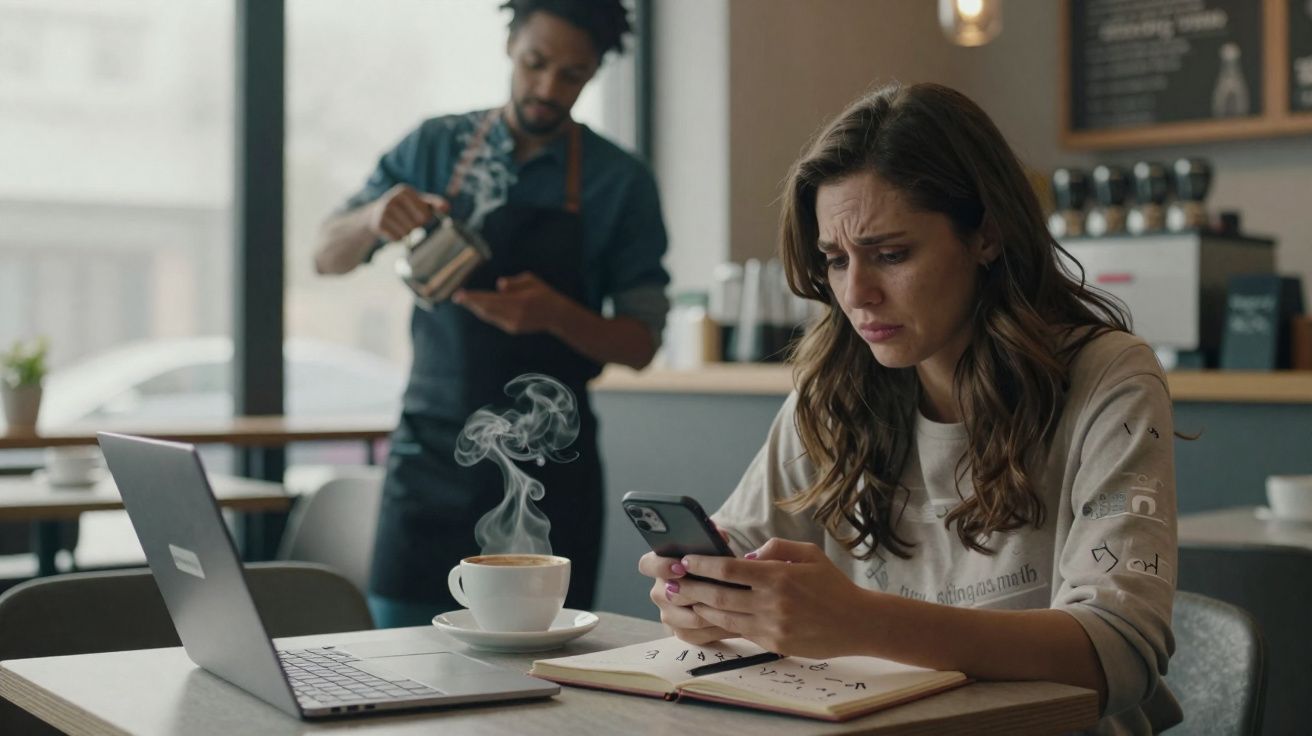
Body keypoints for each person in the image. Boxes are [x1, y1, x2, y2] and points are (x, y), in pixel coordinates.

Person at [639, 83, 1180, 735]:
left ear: (986, 235)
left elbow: (1116, 651)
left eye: (891, 254)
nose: (856, 294)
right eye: (835, 261)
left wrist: (861, 620)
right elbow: (738, 554)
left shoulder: (1108, 377)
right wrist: (698, 595)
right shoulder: (834, 390)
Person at [316, 0, 669, 628]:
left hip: (552, 467)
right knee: (399, 659)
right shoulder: (434, 146)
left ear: (594, 73)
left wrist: (556, 314)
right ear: (511, 44)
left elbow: (641, 343)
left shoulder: (620, 183)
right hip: (428, 459)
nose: (547, 88)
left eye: (572, 75)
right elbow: (325, 256)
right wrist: (373, 218)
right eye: (536, 63)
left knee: (541, 681)